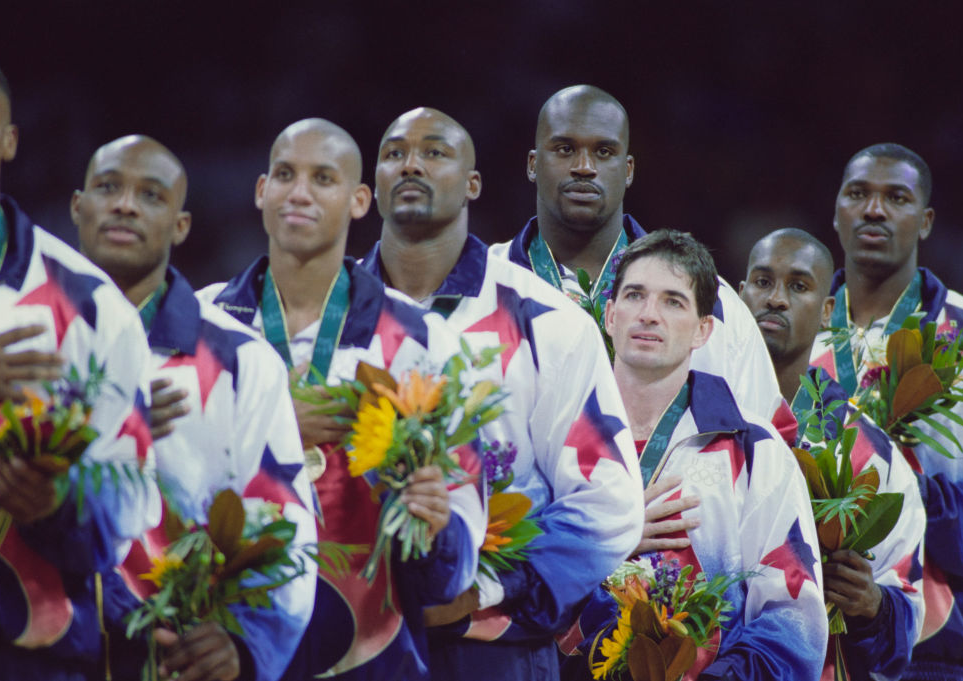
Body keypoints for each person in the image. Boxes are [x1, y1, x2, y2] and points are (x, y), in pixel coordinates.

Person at [360, 106, 643, 680]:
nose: (412, 163)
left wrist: (486, 589)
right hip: (350, 636)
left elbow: (608, 504)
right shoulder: (329, 321)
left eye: (435, 152)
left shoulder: (546, 321)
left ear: (473, 183)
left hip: (489, 649)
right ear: (369, 188)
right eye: (394, 153)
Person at [197, 118, 484, 681]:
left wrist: (431, 523)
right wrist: (278, 430)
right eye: (285, 175)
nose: (299, 192)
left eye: (322, 178)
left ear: (359, 200)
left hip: (375, 656)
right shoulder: (205, 329)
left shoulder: (423, 343)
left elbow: (453, 573)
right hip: (228, 650)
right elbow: (162, 499)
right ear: (261, 191)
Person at [72, 134, 317, 681]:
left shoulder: (240, 361)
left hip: (175, 659)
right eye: (108, 187)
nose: (126, 204)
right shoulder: (27, 335)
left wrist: (245, 642)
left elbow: (285, 520)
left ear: (181, 226)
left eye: (151, 195)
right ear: (77, 206)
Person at [566, 229, 827, 679]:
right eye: (634, 296)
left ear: (704, 329)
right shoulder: (559, 435)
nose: (649, 315)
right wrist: (607, 543)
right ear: (609, 315)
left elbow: (792, 621)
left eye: (673, 301)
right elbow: (509, 583)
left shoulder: (753, 448)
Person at [490, 84, 792, 439]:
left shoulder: (711, 301)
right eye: (565, 149)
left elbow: (768, 447)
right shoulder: (486, 286)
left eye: (604, 152)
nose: (584, 167)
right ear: (532, 163)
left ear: (628, 169)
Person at [0, 57, 156, 681]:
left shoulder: (90, 305)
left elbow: (131, 499)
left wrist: (57, 504)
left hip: (29, 652)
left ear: (9, 140)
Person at [810, 143, 963, 680]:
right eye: (858, 194)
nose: (874, 209)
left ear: (924, 222)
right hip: (807, 633)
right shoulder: (793, 338)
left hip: (937, 640)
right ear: (835, 212)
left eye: (895, 197)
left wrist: (893, 499)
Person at [739, 228, 926, 680]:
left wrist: (873, 605)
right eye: (762, 282)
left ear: (827, 312)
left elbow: (905, 595)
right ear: (741, 292)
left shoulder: (868, 450)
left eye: (798, 286)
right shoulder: (695, 419)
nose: (776, 299)